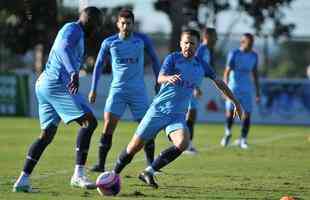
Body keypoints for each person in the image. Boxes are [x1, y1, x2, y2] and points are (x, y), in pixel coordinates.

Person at [110, 29, 243, 189]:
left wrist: (235, 102)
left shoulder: (201, 64)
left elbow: (220, 83)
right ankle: (112, 175)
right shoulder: (173, 58)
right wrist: (168, 78)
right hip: (158, 111)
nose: (188, 46)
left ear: (198, 45)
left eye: (192, 43)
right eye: (186, 42)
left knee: (183, 142)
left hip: (177, 115)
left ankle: (149, 171)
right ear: (181, 44)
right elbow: (160, 78)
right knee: (133, 148)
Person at [13, 7, 102, 192]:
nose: (98, 28)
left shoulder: (77, 33)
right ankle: (78, 175)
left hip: (45, 83)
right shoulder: (73, 29)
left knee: (46, 135)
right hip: (55, 84)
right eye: (97, 24)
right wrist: (72, 72)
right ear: (90, 21)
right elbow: (62, 48)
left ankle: (22, 180)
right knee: (89, 122)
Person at [89, 9, 160, 172]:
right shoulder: (109, 42)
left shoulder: (143, 40)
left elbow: (155, 59)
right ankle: (100, 164)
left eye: (129, 23)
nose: (126, 26)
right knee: (108, 126)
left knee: (147, 128)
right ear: (117, 24)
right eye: (123, 23)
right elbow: (98, 65)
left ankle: (151, 166)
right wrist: (93, 89)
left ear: (133, 24)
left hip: (138, 92)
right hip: (117, 91)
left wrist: (158, 80)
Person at [220, 33, 260, 149]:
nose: (251, 44)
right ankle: (227, 132)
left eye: (252, 42)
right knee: (231, 112)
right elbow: (227, 72)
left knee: (247, 114)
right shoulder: (234, 54)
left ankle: (243, 140)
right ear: (243, 42)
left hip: (247, 89)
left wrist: (257, 92)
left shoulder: (254, 55)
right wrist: (224, 89)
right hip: (233, 88)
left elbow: (255, 73)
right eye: (249, 41)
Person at [184, 27, 218, 154]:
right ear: (207, 36)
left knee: (191, 116)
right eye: (214, 36)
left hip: (194, 86)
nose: (216, 39)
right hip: (191, 86)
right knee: (190, 115)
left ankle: (187, 144)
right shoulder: (202, 50)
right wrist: (195, 87)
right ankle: (186, 145)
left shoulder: (207, 51)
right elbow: (192, 66)